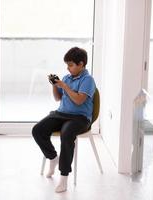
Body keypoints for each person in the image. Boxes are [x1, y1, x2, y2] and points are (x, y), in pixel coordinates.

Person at [32, 47, 96, 193]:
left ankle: (64, 177)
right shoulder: (67, 78)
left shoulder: (88, 80)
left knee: (67, 134)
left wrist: (65, 86)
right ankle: (53, 158)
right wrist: (55, 86)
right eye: (67, 65)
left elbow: (79, 101)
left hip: (80, 117)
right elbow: (58, 98)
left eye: (71, 65)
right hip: (61, 114)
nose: (68, 68)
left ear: (81, 64)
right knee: (37, 130)